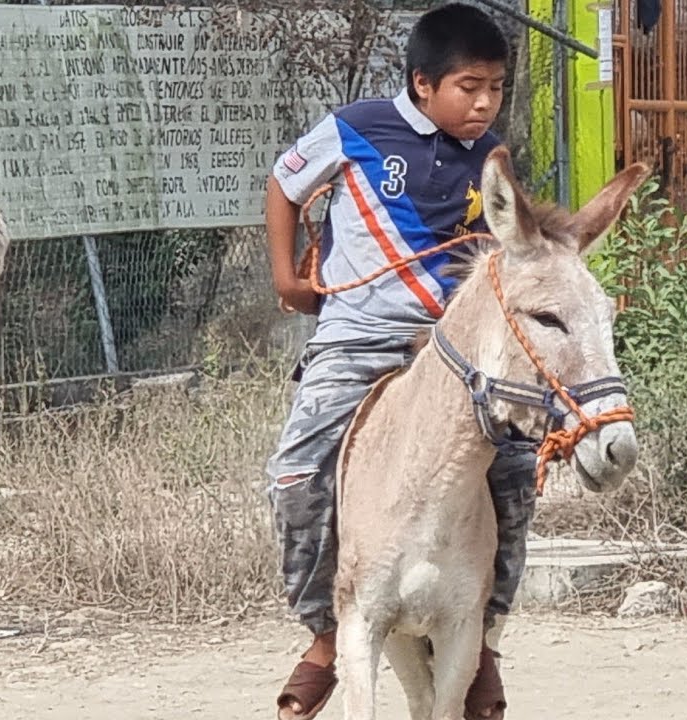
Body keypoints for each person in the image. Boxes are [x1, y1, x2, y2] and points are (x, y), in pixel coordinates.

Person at [265, 5, 533, 719]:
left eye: (496, 89)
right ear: (422, 84)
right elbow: (285, 184)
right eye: (468, 87)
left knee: (514, 472)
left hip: (450, 352)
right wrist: (289, 279)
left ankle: (484, 642)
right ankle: (325, 632)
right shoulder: (358, 128)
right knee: (297, 475)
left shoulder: (492, 157)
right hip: (356, 337)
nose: (483, 104)